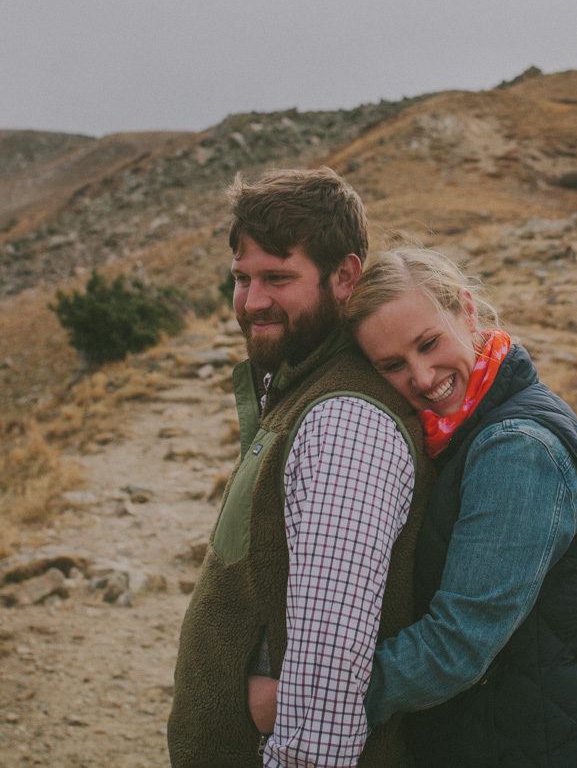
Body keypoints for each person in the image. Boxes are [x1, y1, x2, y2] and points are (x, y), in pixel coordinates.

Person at [254, 247, 577, 765]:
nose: (422, 376)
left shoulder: (517, 449)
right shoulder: (461, 434)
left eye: (428, 343)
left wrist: (304, 700)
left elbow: (457, 646)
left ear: (466, 309)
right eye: (392, 365)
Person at [168, 169, 432, 767]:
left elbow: (327, 670)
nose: (252, 300)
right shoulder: (300, 387)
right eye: (242, 278)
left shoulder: (343, 422)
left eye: (278, 278)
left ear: (345, 277)